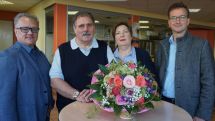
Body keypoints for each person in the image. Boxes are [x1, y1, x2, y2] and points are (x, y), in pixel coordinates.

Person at [155, 2, 215, 121]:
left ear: (188, 20)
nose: (178, 21)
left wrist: (202, 114)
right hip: (162, 103)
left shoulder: (201, 45)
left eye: (182, 17)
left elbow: (209, 83)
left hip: (189, 106)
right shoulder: (162, 45)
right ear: (169, 22)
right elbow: (157, 74)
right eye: (174, 18)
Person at [49, 12, 114, 112]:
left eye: (89, 25)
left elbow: (115, 75)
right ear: (74, 29)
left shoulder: (105, 48)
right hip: (69, 108)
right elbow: (55, 80)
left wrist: (98, 93)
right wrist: (76, 95)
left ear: (94, 27)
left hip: (101, 109)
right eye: (81, 26)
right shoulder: (62, 50)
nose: (86, 29)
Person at [0, 13, 54, 121]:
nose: (30, 33)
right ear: (16, 31)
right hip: (24, 116)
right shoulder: (8, 57)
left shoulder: (41, 55)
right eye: (25, 29)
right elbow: (4, 101)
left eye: (34, 29)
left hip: (43, 115)